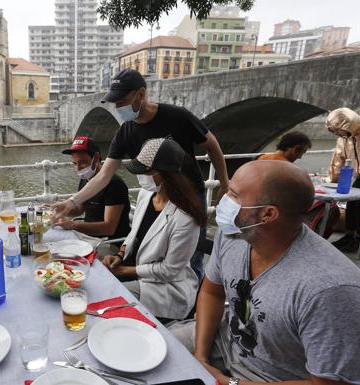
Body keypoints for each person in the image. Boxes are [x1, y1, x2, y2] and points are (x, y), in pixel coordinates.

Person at [169, 160, 360, 385]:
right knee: (149, 354)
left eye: (234, 195)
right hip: (224, 341)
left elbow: (330, 383)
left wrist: (228, 383)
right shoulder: (235, 235)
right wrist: (200, 356)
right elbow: (212, 292)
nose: (223, 199)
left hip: (270, 378)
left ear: (267, 214)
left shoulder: (329, 290)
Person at [53, 68, 229, 280]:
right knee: (148, 244)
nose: (118, 107)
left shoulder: (177, 116)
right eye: (115, 103)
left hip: (188, 194)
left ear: (141, 94)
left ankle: (192, 298)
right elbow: (104, 174)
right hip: (154, 194)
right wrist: (72, 202)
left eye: (122, 101)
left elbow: (212, 145)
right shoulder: (126, 131)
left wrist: (225, 185)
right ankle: (154, 287)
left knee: (192, 258)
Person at [102, 138, 206, 325]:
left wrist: (124, 270)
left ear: (164, 174)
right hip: (138, 271)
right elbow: (134, 235)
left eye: (145, 171)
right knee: (99, 284)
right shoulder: (146, 193)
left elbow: (169, 271)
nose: (141, 176)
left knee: (111, 299)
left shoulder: (185, 217)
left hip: (167, 288)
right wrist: (119, 255)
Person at [55, 136, 131, 243]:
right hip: (88, 237)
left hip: (110, 242)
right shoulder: (85, 179)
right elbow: (80, 209)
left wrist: (74, 225)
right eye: (75, 163)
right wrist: (61, 210)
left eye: (83, 162)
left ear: (96, 158)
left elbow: (109, 228)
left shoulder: (114, 184)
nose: (78, 168)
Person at [326, 107, 360, 252]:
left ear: (348, 124)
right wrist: (332, 182)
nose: (337, 133)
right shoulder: (344, 138)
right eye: (335, 131)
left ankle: (357, 240)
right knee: (352, 204)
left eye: (338, 130)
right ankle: (349, 236)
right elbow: (338, 159)